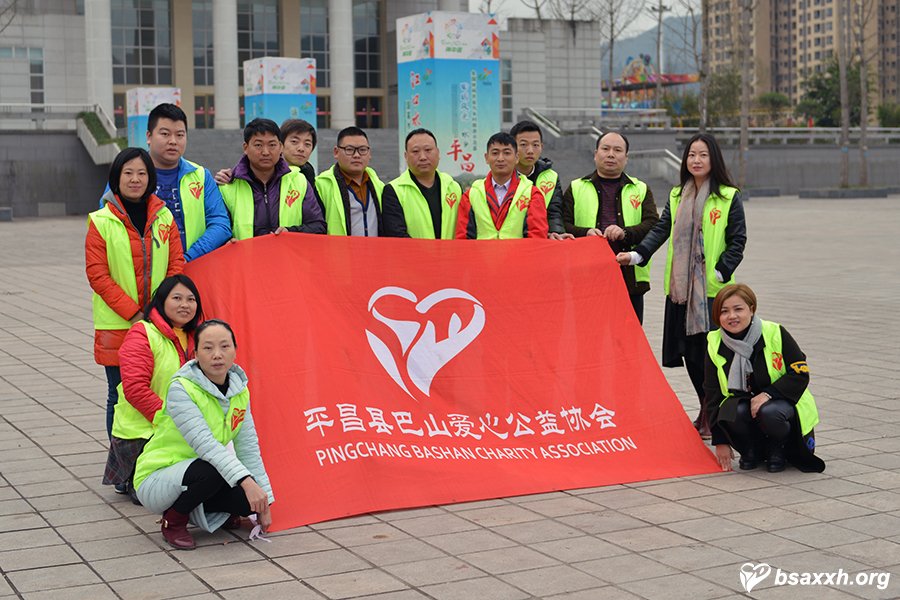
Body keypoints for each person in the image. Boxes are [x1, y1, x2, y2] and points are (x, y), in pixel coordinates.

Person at [616, 132, 747, 438]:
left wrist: (720, 272)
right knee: (689, 354)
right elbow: (661, 230)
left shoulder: (728, 196)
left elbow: (737, 240)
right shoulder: (677, 195)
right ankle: (705, 408)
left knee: (711, 357)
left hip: (712, 294)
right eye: (691, 155)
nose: (696, 160)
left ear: (713, 159)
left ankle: (712, 414)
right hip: (680, 292)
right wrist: (637, 255)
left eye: (702, 155)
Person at [134, 320, 274, 550]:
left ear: (235, 351)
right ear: (195, 353)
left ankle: (210, 510)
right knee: (214, 470)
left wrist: (264, 501)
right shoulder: (182, 388)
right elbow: (206, 445)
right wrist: (248, 483)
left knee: (248, 503)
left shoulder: (239, 389)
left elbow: (248, 447)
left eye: (224, 346)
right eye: (208, 348)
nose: (217, 355)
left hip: (202, 470)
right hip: (158, 475)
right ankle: (173, 521)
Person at [86, 148, 184, 442]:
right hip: (118, 325)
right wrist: (135, 312)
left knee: (158, 389)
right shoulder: (101, 221)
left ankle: (154, 457)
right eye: (127, 173)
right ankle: (121, 468)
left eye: (142, 173)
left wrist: (161, 309)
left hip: (160, 323)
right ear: (116, 178)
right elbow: (98, 275)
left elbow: (176, 264)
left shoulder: (164, 217)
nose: (135, 179)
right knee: (118, 394)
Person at [705, 284, 824, 473]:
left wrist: (768, 394)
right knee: (733, 410)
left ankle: (778, 447)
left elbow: (800, 373)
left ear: (751, 309)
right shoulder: (715, 341)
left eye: (738, 309)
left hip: (782, 402)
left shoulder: (775, 332)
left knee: (769, 412)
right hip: (745, 402)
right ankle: (751, 449)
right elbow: (712, 394)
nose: (732, 316)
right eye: (724, 311)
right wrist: (720, 441)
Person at [103, 274, 202, 498]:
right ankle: (133, 477)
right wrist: (171, 418)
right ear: (162, 300)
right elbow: (136, 389)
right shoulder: (142, 333)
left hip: (182, 426)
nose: (185, 305)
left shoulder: (200, 336)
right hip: (146, 430)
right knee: (155, 494)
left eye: (191, 299)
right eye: (177, 298)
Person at [101, 103, 231, 261]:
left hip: (191, 269)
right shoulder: (127, 174)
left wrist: (189, 257)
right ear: (149, 136)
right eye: (165, 134)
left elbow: (220, 223)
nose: (173, 141)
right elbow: (106, 223)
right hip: (141, 273)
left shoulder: (200, 176)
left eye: (180, 135)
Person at [564, 131, 660, 323]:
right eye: (605, 149)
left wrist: (625, 233)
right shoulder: (576, 187)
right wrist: (585, 233)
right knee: (589, 339)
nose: (610, 154)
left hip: (629, 278)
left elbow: (653, 225)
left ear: (626, 158)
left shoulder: (640, 189)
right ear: (595, 153)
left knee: (628, 341)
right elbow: (563, 224)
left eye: (617, 150)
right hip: (586, 278)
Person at [218, 118, 325, 240]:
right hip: (244, 257)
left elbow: (318, 226)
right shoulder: (227, 186)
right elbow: (218, 227)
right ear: (246, 148)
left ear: (280, 147)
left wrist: (291, 231)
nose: (265, 152)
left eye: (272, 145)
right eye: (258, 145)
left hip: (287, 257)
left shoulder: (299, 182)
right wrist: (227, 242)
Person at [455, 132, 549, 239]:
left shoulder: (532, 194)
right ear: (486, 157)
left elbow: (537, 238)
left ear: (517, 157)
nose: (500, 159)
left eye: (507, 153)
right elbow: (463, 238)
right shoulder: (471, 195)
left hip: (519, 255)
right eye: (495, 153)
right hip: (482, 255)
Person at [381, 128, 462, 239]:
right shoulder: (393, 191)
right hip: (412, 256)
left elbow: (463, 229)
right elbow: (396, 235)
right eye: (415, 151)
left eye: (428, 150)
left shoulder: (453, 187)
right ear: (406, 156)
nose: (423, 157)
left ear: (438, 153)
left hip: (450, 255)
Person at [315, 126, 385, 236]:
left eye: (362, 150)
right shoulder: (321, 185)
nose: (357, 155)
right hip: (338, 251)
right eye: (349, 150)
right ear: (336, 152)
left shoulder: (379, 186)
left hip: (375, 252)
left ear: (369, 153)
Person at [215, 118, 319, 188]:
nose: (301, 148)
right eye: (294, 142)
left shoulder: (308, 174)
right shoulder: (243, 176)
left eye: (307, 144)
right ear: (280, 145)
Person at [510, 120, 567, 238]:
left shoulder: (551, 177)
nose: (530, 150)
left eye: (535, 145)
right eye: (523, 145)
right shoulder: (503, 176)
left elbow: (554, 213)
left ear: (542, 147)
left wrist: (556, 233)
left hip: (542, 241)